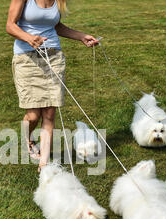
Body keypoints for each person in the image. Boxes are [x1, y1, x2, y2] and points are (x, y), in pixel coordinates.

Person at [6, 0, 99, 172]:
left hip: (54, 57)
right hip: (26, 58)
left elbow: (56, 26)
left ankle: (44, 163)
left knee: (49, 112)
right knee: (33, 115)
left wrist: (81, 36)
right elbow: (10, 26)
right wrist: (29, 38)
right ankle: (28, 139)